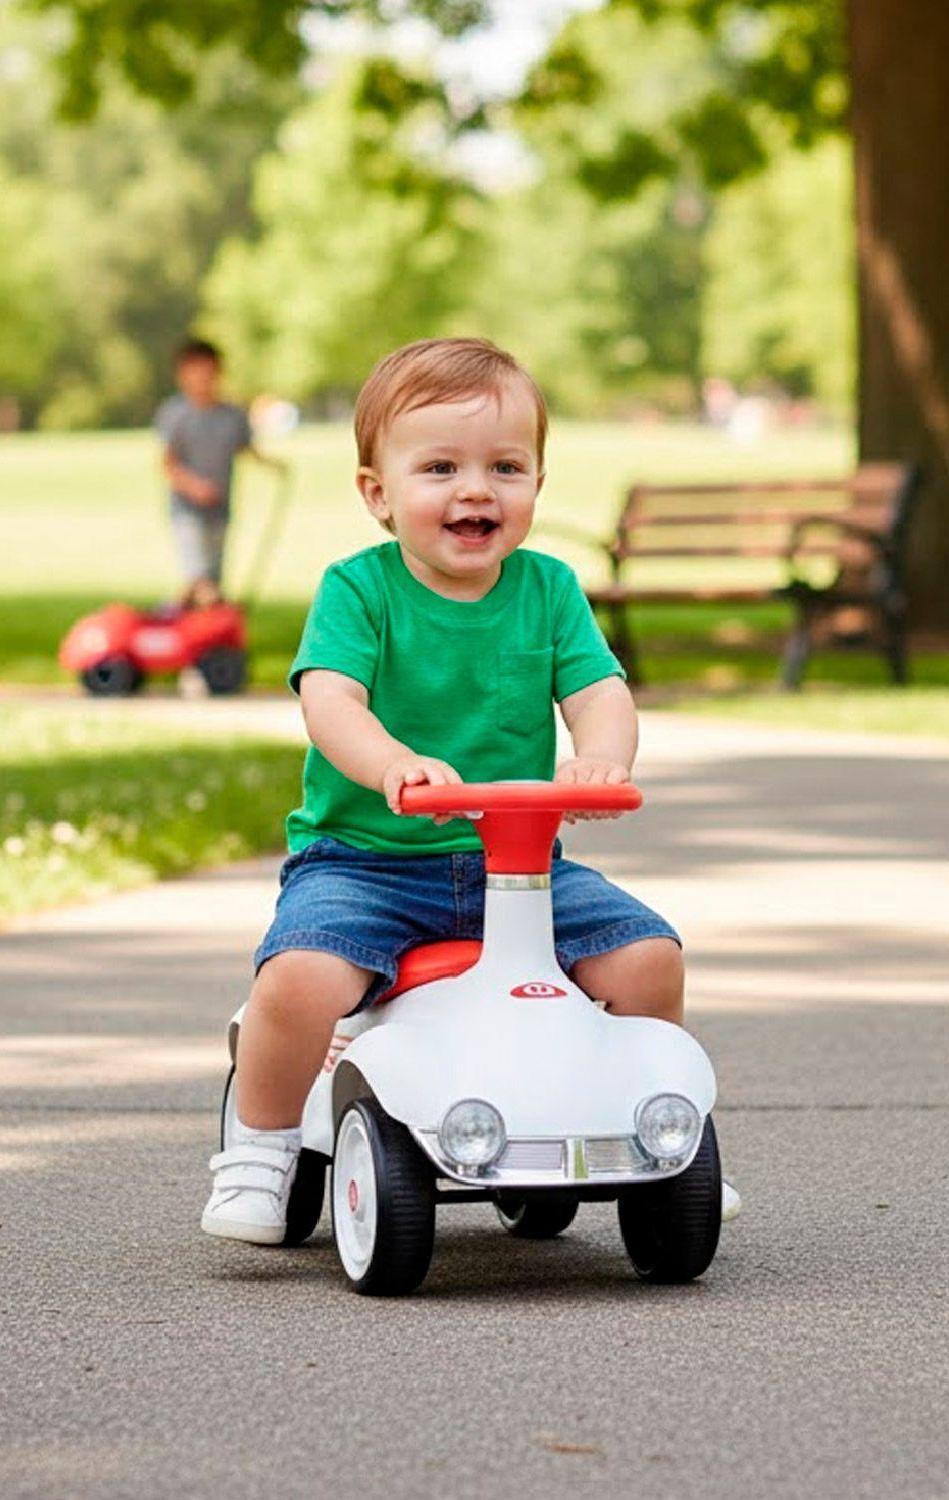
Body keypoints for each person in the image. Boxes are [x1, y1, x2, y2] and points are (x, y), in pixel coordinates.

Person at [202, 336, 737, 1244]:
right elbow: (330, 700)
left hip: (521, 874)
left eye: (506, 467)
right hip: (367, 863)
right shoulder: (359, 590)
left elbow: (600, 693)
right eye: (440, 467)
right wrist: (390, 764)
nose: (476, 490)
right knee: (296, 980)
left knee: (650, 957)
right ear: (378, 493)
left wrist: (601, 758)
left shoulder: (549, 589)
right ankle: (261, 1148)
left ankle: (661, 1134)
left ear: (537, 483)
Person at [154, 338, 285, 610]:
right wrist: (195, 487)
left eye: (209, 373)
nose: (203, 380)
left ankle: (179, 621)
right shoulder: (175, 414)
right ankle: (191, 619)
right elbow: (168, 463)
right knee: (200, 579)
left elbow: (245, 449)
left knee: (210, 579)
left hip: (220, 510)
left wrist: (274, 466)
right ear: (182, 375)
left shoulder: (232, 415)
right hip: (186, 512)